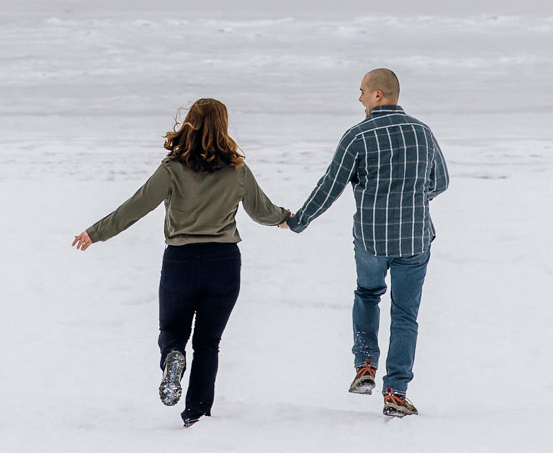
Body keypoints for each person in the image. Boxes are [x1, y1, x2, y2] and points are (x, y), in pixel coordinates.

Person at [72, 98, 292, 427]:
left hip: (181, 261)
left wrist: (96, 233)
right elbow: (262, 211)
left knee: (172, 331)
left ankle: (173, 356)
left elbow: (137, 205)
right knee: (208, 343)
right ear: (223, 126)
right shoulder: (238, 169)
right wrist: (287, 219)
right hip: (224, 262)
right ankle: (196, 415)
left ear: (189, 123)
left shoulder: (173, 168)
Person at [287, 68, 448, 418]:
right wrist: (413, 199)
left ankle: (365, 365)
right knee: (405, 313)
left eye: (361, 91)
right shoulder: (423, 132)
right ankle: (396, 391)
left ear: (378, 95)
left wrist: (299, 220)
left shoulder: (357, 137)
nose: (358, 97)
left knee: (367, 294)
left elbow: (330, 186)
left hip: (372, 239)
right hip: (414, 237)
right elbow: (441, 182)